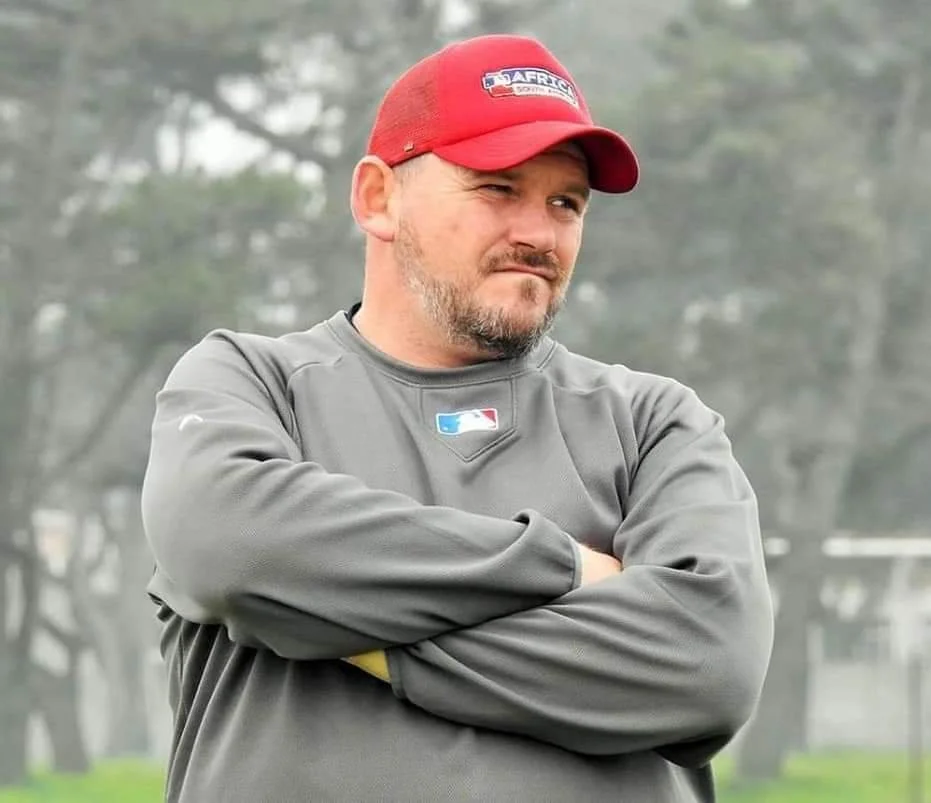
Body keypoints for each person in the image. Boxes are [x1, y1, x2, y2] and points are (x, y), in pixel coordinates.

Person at [142, 33, 774, 803]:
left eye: (565, 202)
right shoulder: (251, 383)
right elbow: (231, 546)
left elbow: (707, 669)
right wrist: (567, 569)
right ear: (379, 197)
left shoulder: (653, 422)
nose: (539, 232)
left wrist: (360, 635)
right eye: (498, 188)